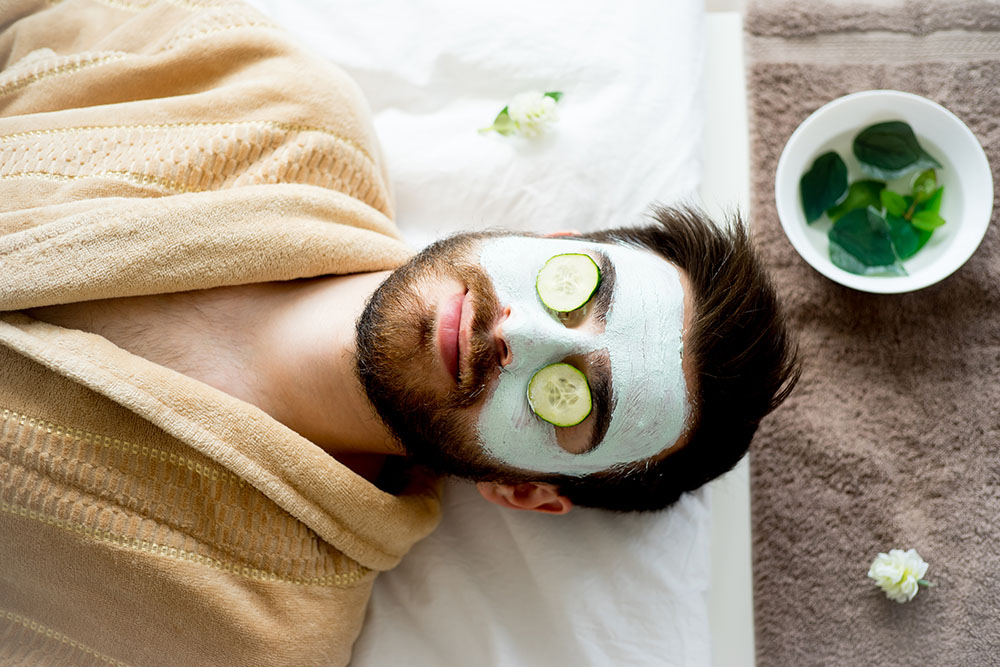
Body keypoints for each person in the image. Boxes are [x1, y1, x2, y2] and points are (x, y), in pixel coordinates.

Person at [0, 0, 797, 664]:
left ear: (522, 491)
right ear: (553, 244)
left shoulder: (265, 631)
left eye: (572, 397)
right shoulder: (271, 99)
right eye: (578, 288)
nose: (520, 331)